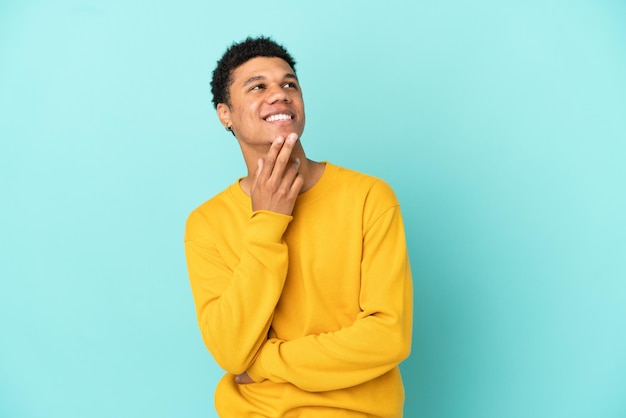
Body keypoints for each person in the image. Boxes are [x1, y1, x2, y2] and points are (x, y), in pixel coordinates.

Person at [184, 36, 413, 417]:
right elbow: (229, 350)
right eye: (258, 86)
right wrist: (267, 223)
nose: (280, 94)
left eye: (289, 84)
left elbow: (388, 337)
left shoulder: (369, 197)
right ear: (225, 114)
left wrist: (265, 362)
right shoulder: (207, 223)